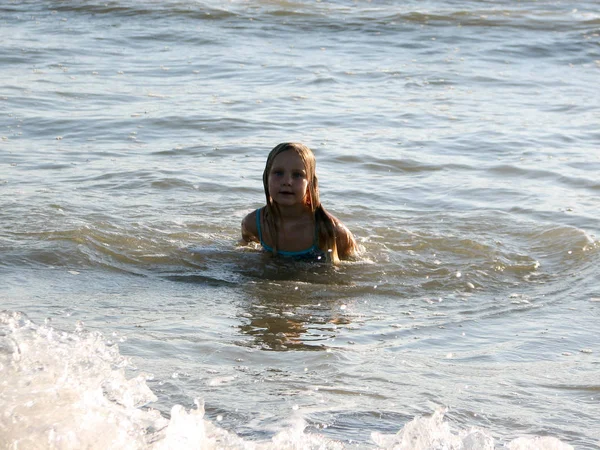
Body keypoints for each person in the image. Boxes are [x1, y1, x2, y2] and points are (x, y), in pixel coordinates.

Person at [241, 142, 358, 263]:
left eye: (297, 175)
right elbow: (245, 251)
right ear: (266, 178)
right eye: (278, 173)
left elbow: (355, 265)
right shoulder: (253, 224)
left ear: (310, 183)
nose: (287, 181)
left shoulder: (331, 231)